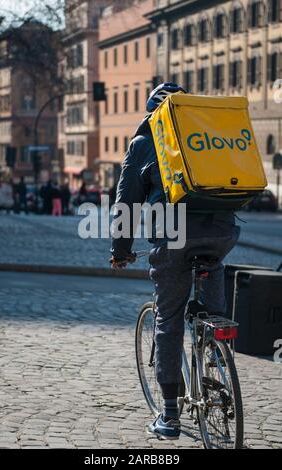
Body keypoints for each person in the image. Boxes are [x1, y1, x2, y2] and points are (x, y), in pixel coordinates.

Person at [110, 83, 240, 440]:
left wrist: (121, 250)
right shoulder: (208, 133)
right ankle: (217, 357)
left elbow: (127, 202)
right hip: (222, 232)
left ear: (152, 112)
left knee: (168, 319)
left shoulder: (144, 141)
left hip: (174, 239)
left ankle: (169, 416)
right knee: (213, 308)